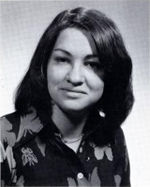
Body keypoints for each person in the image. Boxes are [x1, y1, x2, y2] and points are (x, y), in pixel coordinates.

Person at [0, 7, 134, 187]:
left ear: (111, 74)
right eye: (63, 60)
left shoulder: (113, 138)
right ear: (44, 66)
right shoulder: (4, 139)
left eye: (92, 64)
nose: (75, 77)